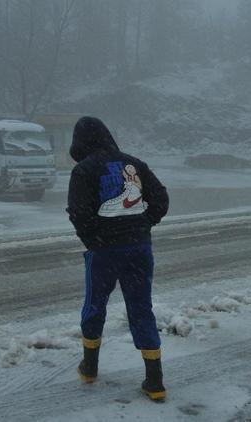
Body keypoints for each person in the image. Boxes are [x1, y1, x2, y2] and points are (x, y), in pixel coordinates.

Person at [66, 116, 169, 401]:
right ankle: (155, 381)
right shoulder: (133, 164)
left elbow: (78, 213)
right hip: (139, 249)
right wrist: (143, 224)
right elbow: (160, 199)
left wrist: (96, 240)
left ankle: (89, 368)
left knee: (95, 306)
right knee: (141, 308)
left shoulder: (83, 171)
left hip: (104, 252)